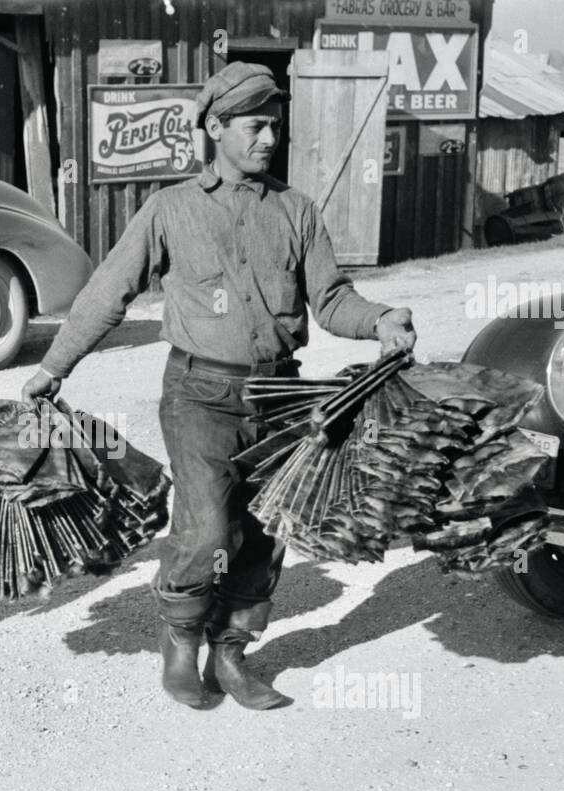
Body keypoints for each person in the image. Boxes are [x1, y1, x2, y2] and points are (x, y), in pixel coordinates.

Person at [22, 62, 416, 711]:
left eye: (274, 125)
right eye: (256, 125)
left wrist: (378, 320)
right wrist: (52, 368)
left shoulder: (297, 211)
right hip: (198, 393)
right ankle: (181, 640)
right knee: (207, 529)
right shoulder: (170, 210)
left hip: (278, 397)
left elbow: (332, 299)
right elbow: (106, 293)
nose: (269, 137)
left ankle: (232, 652)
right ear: (215, 127)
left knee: (262, 531)